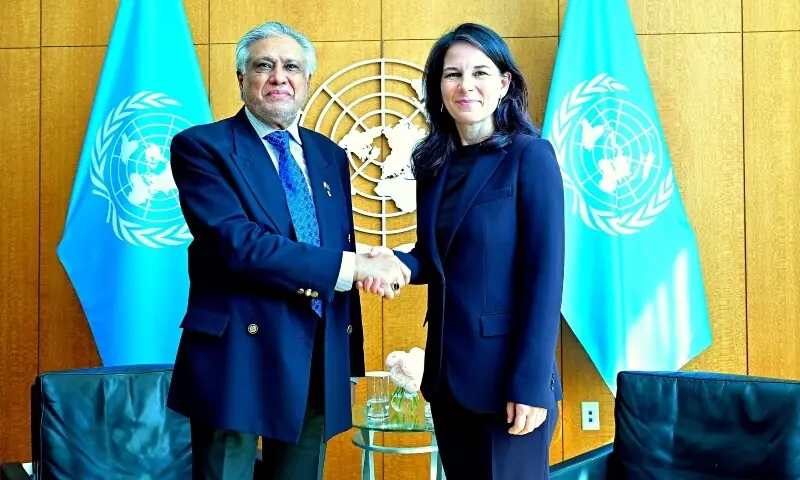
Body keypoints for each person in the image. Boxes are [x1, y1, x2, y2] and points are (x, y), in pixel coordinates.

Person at [166, 22, 409, 480]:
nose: (279, 76)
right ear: (242, 79)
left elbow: (334, 247)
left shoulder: (329, 155)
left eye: (291, 66)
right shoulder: (203, 147)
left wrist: (366, 267)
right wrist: (352, 266)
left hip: (317, 351)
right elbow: (236, 245)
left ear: (307, 81)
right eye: (264, 65)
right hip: (238, 352)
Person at [359, 23, 565, 479]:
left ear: (504, 83)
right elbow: (438, 257)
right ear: (437, 86)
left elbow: (545, 277)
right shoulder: (432, 163)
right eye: (452, 74)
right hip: (447, 377)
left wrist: (530, 383)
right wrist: (396, 264)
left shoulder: (530, 156)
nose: (465, 85)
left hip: (510, 381)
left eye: (480, 72)